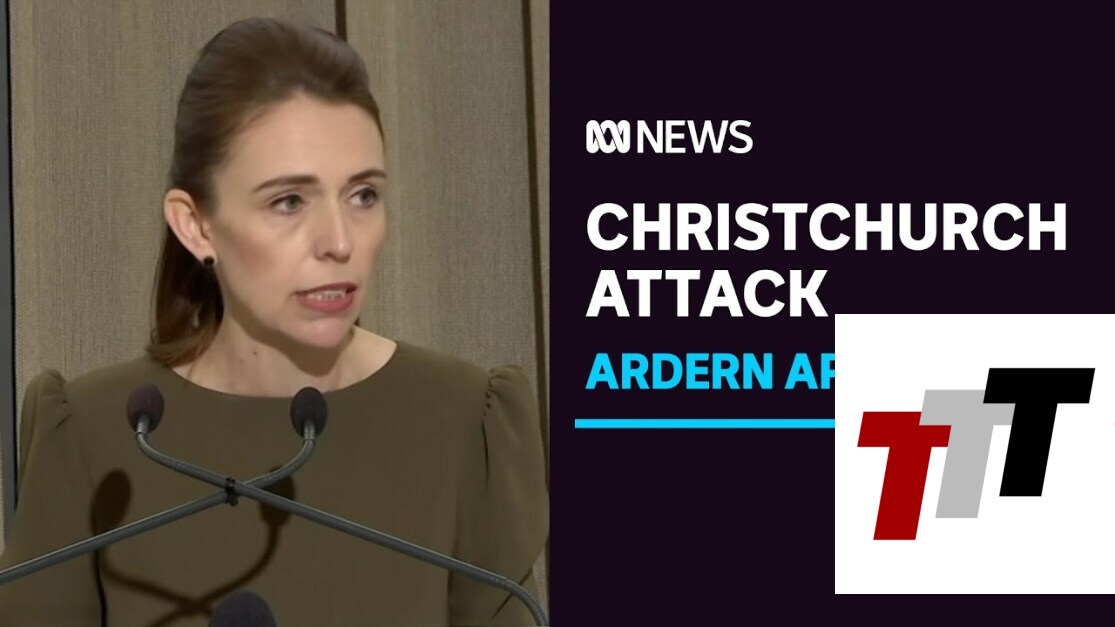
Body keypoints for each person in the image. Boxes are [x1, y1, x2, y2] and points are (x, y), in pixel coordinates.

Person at [0, 17, 548, 626]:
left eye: (363, 195)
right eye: (289, 201)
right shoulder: (96, 434)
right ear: (196, 226)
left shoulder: (460, 418)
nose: (339, 241)